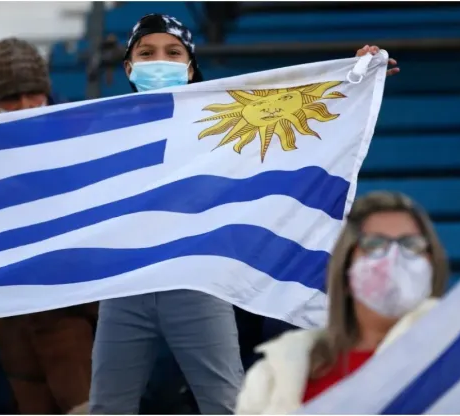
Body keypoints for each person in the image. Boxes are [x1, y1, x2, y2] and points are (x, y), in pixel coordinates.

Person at [88, 13, 400, 415]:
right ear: (128, 66)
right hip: (124, 286)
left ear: (191, 65)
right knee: (106, 407)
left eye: (172, 52)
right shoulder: (99, 128)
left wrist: (354, 77)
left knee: (227, 404)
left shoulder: (220, 119)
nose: (158, 61)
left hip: (197, 280)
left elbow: (292, 116)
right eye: (146, 53)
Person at [0, 37, 98, 415]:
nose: (24, 107)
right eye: (10, 99)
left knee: (45, 310)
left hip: (76, 283)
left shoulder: (86, 133)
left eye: (33, 95)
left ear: (47, 92)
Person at [234, 191, 450, 414]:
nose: (394, 257)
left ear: (432, 261)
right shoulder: (278, 370)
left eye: (411, 244)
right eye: (374, 244)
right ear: (345, 269)